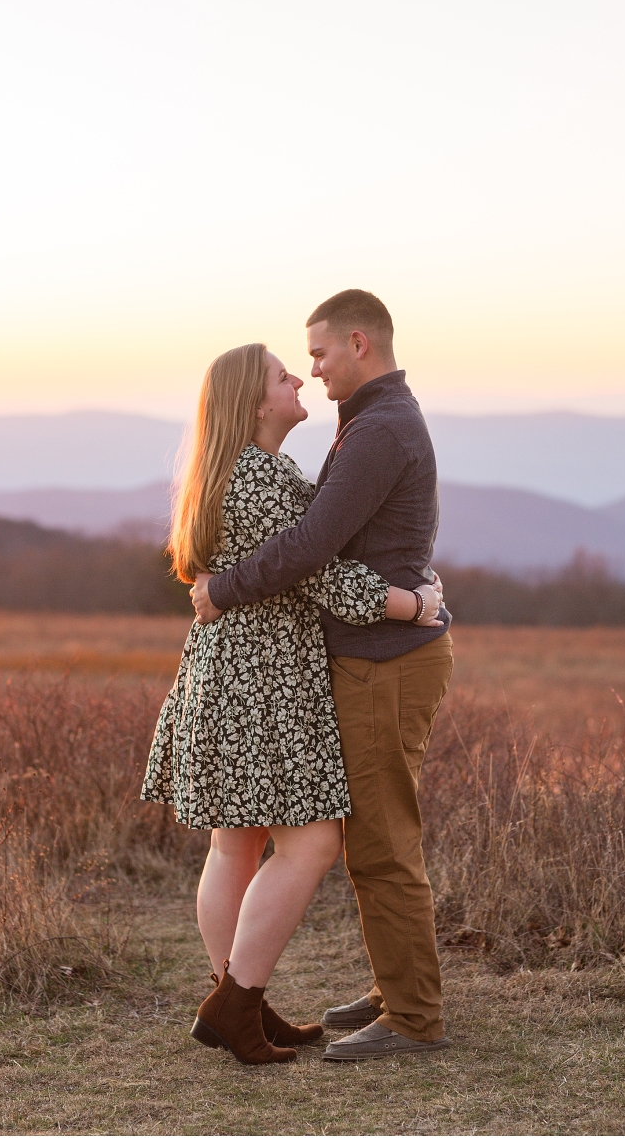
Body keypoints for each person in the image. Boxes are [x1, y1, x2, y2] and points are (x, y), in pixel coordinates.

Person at [141, 341, 443, 1067]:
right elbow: (321, 572)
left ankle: (238, 1001)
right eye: (284, 375)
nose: (299, 377)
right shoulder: (263, 478)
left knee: (235, 844)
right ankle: (236, 1002)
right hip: (264, 681)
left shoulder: (221, 473)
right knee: (310, 843)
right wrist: (413, 603)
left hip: (221, 672)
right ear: (254, 402)